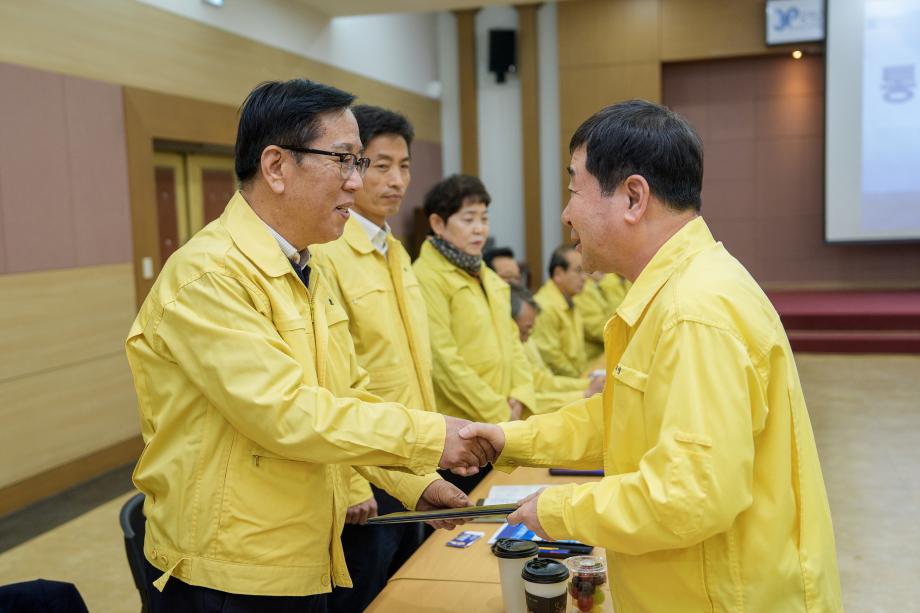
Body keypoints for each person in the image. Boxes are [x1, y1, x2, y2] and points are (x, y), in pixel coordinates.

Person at [125, 79, 495, 613]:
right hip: (230, 575)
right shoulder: (209, 275)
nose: (356, 182)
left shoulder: (303, 266)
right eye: (344, 160)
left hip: (296, 556)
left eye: (358, 163)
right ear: (276, 166)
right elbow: (288, 414)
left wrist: (414, 482)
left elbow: (349, 395)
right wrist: (432, 437)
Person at [460, 100, 842, 612]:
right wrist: (514, 440)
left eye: (574, 191)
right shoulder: (678, 291)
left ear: (633, 197)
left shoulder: (693, 311)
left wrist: (559, 510)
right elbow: (625, 418)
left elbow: (691, 494)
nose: (566, 214)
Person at [310, 105, 437, 611]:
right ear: (352, 167)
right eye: (380, 165)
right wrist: (349, 481)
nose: (396, 180)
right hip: (367, 471)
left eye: (404, 166)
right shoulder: (328, 253)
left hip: (410, 455)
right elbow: (327, 376)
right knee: (366, 595)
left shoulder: (395, 249)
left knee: (412, 587)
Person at [413, 174, 536, 493]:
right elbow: (444, 363)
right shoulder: (425, 277)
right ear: (438, 224)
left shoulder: (487, 275)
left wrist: (520, 396)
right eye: (468, 219)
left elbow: (515, 345)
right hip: (462, 433)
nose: (480, 229)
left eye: (484, 218)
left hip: (504, 424)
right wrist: (500, 413)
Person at [509, 285, 603, 416]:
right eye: (525, 331)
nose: (583, 278)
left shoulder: (571, 303)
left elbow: (542, 381)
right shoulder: (548, 307)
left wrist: (587, 384)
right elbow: (529, 402)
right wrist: (584, 392)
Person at [530, 245, 588, 377]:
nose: (584, 278)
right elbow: (551, 357)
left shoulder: (570, 299)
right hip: (560, 383)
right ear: (558, 274)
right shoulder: (545, 306)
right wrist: (582, 380)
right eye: (578, 271)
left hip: (577, 379)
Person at [574, 271, 626, 360]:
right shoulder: (584, 289)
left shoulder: (601, 284)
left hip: (605, 352)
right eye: (578, 270)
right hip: (593, 358)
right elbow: (598, 329)